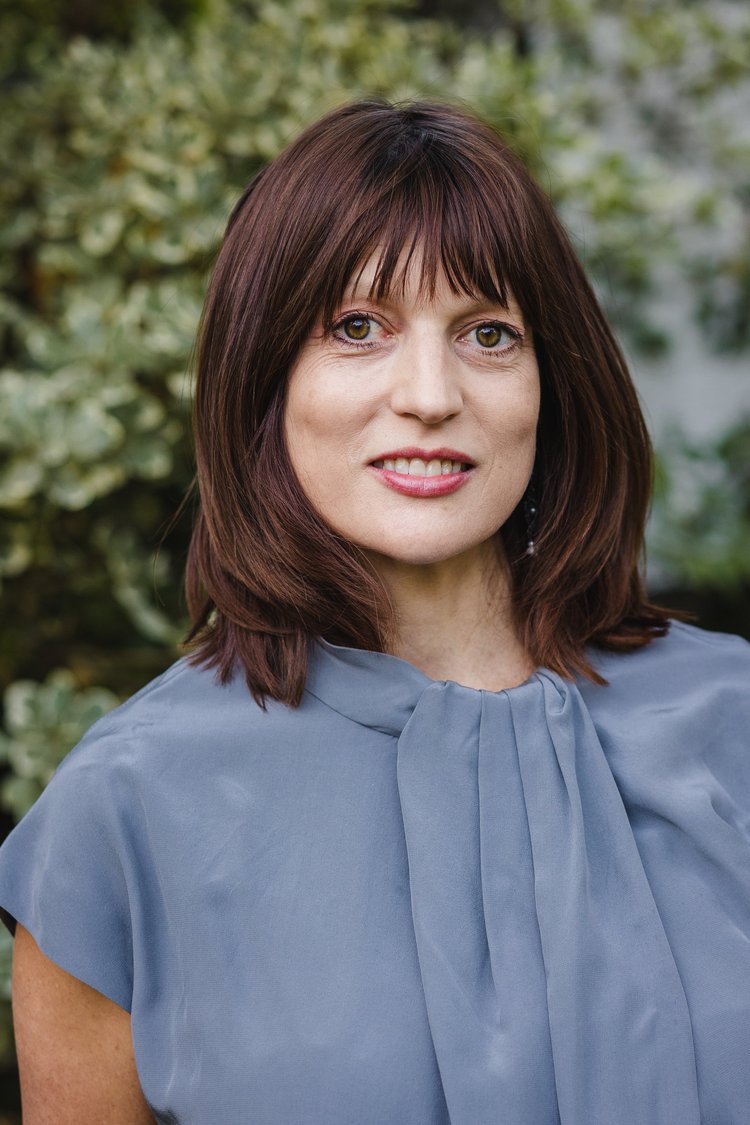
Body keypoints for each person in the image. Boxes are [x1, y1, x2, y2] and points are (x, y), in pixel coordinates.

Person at [0, 99, 748, 1125]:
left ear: (552, 385)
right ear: (264, 376)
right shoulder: (124, 813)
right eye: (359, 328)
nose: (430, 393)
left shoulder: (734, 718)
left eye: (490, 333)